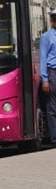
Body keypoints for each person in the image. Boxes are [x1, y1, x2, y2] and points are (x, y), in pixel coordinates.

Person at [39, 9, 56, 145]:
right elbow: (43, 58)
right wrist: (44, 79)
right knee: (52, 107)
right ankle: (54, 137)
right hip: (52, 72)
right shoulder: (46, 37)